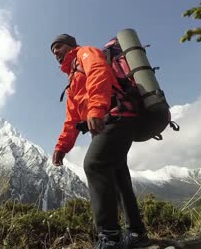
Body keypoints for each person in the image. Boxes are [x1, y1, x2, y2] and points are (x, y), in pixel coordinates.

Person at [50, 34, 151, 249]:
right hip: (113, 120)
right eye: (53, 51)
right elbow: (72, 119)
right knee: (118, 175)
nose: (55, 52)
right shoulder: (73, 79)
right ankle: (137, 233)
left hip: (116, 116)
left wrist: (95, 108)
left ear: (71, 45)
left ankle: (110, 237)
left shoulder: (85, 53)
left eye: (58, 47)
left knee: (95, 164)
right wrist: (62, 147)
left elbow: (99, 72)